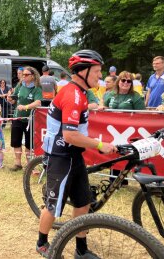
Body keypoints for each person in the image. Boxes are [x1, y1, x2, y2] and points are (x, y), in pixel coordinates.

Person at [36, 50, 116, 258]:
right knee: (53, 205)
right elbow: (70, 136)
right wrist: (100, 145)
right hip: (61, 156)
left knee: (83, 203)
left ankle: (81, 250)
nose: (100, 76)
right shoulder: (72, 94)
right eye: (97, 71)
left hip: (74, 156)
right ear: (82, 71)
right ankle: (42, 243)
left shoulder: (79, 93)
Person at [102, 71, 145, 185]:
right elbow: (104, 106)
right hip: (112, 129)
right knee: (114, 152)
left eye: (129, 81)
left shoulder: (135, 96)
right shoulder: (110, 94)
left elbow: (142, 115)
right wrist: (102, 108)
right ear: (118, 81)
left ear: (131, 83)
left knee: (126, 154)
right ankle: (114, 180)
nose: (126, 83)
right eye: (123, 80)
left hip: (129, 131)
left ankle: (125, 180)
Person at [7, 66, 42, 171]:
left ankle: (30, 165)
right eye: (23, 74)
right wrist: (10, 99)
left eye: (26, 75)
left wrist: (25, 107)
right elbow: (14, 99)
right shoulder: (20, 86)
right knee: (16, 141)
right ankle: (17, 164)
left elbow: (38, 102)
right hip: (17, 117)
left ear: (33, 76)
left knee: (28, 143)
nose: (23, 76)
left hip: (30, 120)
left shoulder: (37, 88)